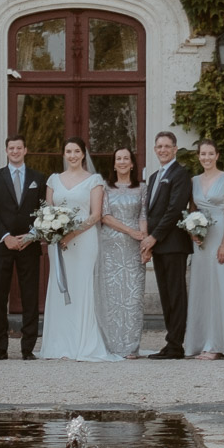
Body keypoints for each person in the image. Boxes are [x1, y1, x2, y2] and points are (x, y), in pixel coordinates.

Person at [37, 137, 112, 362]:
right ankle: (59, 344)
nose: (72, 155)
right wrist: (53, 232)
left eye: (76, 151)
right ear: (63, 154)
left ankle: (82, 343)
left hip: (84, 240)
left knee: (81, 288)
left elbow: (95, 214)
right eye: (68, 151)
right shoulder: (53, 180)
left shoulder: (94, 180)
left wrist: (72, 233)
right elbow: (48, 211)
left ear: (83, 154)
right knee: (59, 287)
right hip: (58, 243)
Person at [0, 134, 44, 359]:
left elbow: (44, 210)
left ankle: (28, 349)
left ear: (26, 150)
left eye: (19, 148)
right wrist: (6, 236)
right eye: (11, 148)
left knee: (30, 297)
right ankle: (0, 348)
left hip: (29, 245)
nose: (15, 151)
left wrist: (31, 235)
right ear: (6, 151)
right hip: (1, 247)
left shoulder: (38, 177)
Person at [184, 138, 224, 358]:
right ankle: (199, 342)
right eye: (202, 154)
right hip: (201, 241)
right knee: (201, 288)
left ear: (217, 156)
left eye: (210, 154)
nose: (206, 158)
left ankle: (218, 345)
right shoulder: (194, 181)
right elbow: (191, 211)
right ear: (199, 156)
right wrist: (192, 232)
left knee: (220, 287)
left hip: (220, 236)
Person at [141, 130, 192, 358]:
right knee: (166, 296)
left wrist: (154, 237)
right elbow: (151, 212)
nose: (162, 150)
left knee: (176, 294)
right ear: (155, 149)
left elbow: (174, 211)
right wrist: (149, 241)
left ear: (174, 149)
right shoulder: (153, 177)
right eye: (159, 146)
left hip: (173, 244)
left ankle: (176, 344)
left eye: (166, 146)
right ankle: (170, 341)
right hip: (160, 245)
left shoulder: (181, 174)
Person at [96, 145, 146, 359]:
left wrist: (143, 240)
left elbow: (144, 214)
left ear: (132, 163)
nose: (123, 162)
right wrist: (130, 231)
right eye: (119, 159)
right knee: (113, 297)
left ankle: (131, 346)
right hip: (110, 247)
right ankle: (112, 345)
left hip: (134, 248)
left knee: (133, 298)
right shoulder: (105, 188)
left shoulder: (142, 188)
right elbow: (105, 216)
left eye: (127, 158)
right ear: (114, 164)